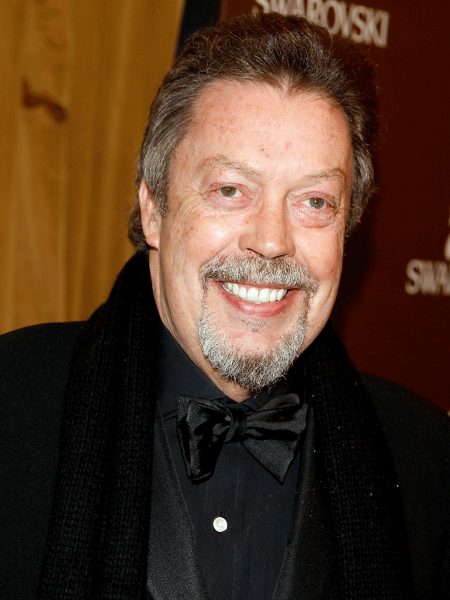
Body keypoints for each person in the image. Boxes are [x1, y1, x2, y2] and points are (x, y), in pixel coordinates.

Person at [1, 11, 449, 600]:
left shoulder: (426, 462)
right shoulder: (11, 407)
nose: (272, 240)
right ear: (154, 209)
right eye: (231, 190)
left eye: (314, 202)